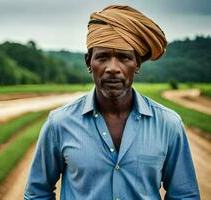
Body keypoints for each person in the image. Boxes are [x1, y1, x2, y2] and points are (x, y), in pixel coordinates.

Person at [24, 5, 200, 200]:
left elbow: (184, 196)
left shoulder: (168, 124)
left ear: (137, 64)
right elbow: (37, 193)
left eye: (124, 57)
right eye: (103, 57)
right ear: (88, 63)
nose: (113, 68)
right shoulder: (59, 123)